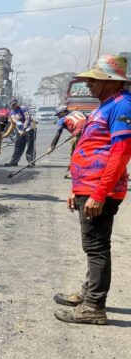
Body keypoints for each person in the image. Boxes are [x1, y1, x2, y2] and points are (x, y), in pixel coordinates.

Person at [54, 54, 131, 325]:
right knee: (92, 245)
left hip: (103, 190)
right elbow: (91, 146)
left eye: (93, 80)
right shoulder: (106, 105)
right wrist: (78, 188)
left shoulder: (123, 106)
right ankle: (88, 294)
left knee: (97, 246)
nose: (88, 85)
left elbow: (121, 152)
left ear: (110, 81)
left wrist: (99, 193)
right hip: (89, 187)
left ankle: (94, 307)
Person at [46, 105, 87, 178]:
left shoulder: (63, 119)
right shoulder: (78, 112)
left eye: (58, 115)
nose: (58, 117)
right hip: (91, 130)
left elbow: (58, 133)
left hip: (79, 134)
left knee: (74, 153)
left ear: (62, 112)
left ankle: (73, 173)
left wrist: (52, 146)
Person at [3, 98, 37, 167]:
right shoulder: (11, 113)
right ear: (10, 105)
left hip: (29, 129)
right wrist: (6, 134)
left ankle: (31, 161)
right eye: (12, 105)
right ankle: (14, 161)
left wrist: (24, 130)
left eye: (15, 104)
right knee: (18, 146)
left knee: (30, 146)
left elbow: (28, 119)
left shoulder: (23, 109)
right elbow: (12, 125)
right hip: (20, 131)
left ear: (17, 103)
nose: (14, 106)